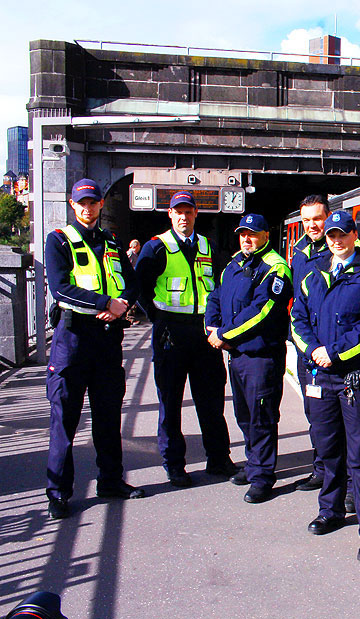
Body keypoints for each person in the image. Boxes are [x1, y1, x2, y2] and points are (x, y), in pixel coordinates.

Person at [291, 210, 360, 563]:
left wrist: (333, 352)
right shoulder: (314, 275)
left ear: (354, 234)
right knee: (327, 449)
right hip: (321, 376)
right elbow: (297, 318)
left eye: (341, 234)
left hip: (354, 380)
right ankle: (330, 511)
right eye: (331, 235)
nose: (335, 240)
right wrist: (313, 350)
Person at [44, 178, 146, 519]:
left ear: (102, 204)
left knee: (107, 417)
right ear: (73, 206)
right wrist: (105, 302)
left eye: (93, 202)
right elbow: (60, 289)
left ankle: (111, 481)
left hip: (106, 340)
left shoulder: (111, 242)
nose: (88, 208)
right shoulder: (59, 240)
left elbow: (131, 284)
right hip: (72, 342)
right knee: (65, 421)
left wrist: (120, 303)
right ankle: (58, 492)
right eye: (82, 203)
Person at [135, 190, 237, 487]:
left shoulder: (208, 246)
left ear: (196, 214)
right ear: (170, 215)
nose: (183, 216)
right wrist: (158, 318)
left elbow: (221, 287)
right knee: (171, 402)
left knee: (212, 401)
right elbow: (140, 288)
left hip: (204, 334)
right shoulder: (156, 247)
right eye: (178, 212)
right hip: (170, 332)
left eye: (188, 211)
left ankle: (219, 459)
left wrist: (218, 324)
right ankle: (175, 465)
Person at [206, 213, 292, 503]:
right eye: (243, 234)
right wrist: (212, 325)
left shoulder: (275, 268)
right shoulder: (233, 264)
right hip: (238, 354)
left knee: (262, 416)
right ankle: (253, 463)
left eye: (253, 234)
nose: (247, 238)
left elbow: (262, 310)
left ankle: (263, 476)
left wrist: (225, 335)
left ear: (266, 235)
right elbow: (215, 297)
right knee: (244, 415)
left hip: (261, 355)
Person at [290, 194, 329, 492]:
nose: (312, 225)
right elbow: (298, 302)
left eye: (317, 218)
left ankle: (340, 478)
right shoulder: (300, 251)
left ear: (327, 217)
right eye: (306, 220)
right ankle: (320, 469)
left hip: (330, 351)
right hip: (307, 349)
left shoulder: (338, 249)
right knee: (314, 413)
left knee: (336, 422)